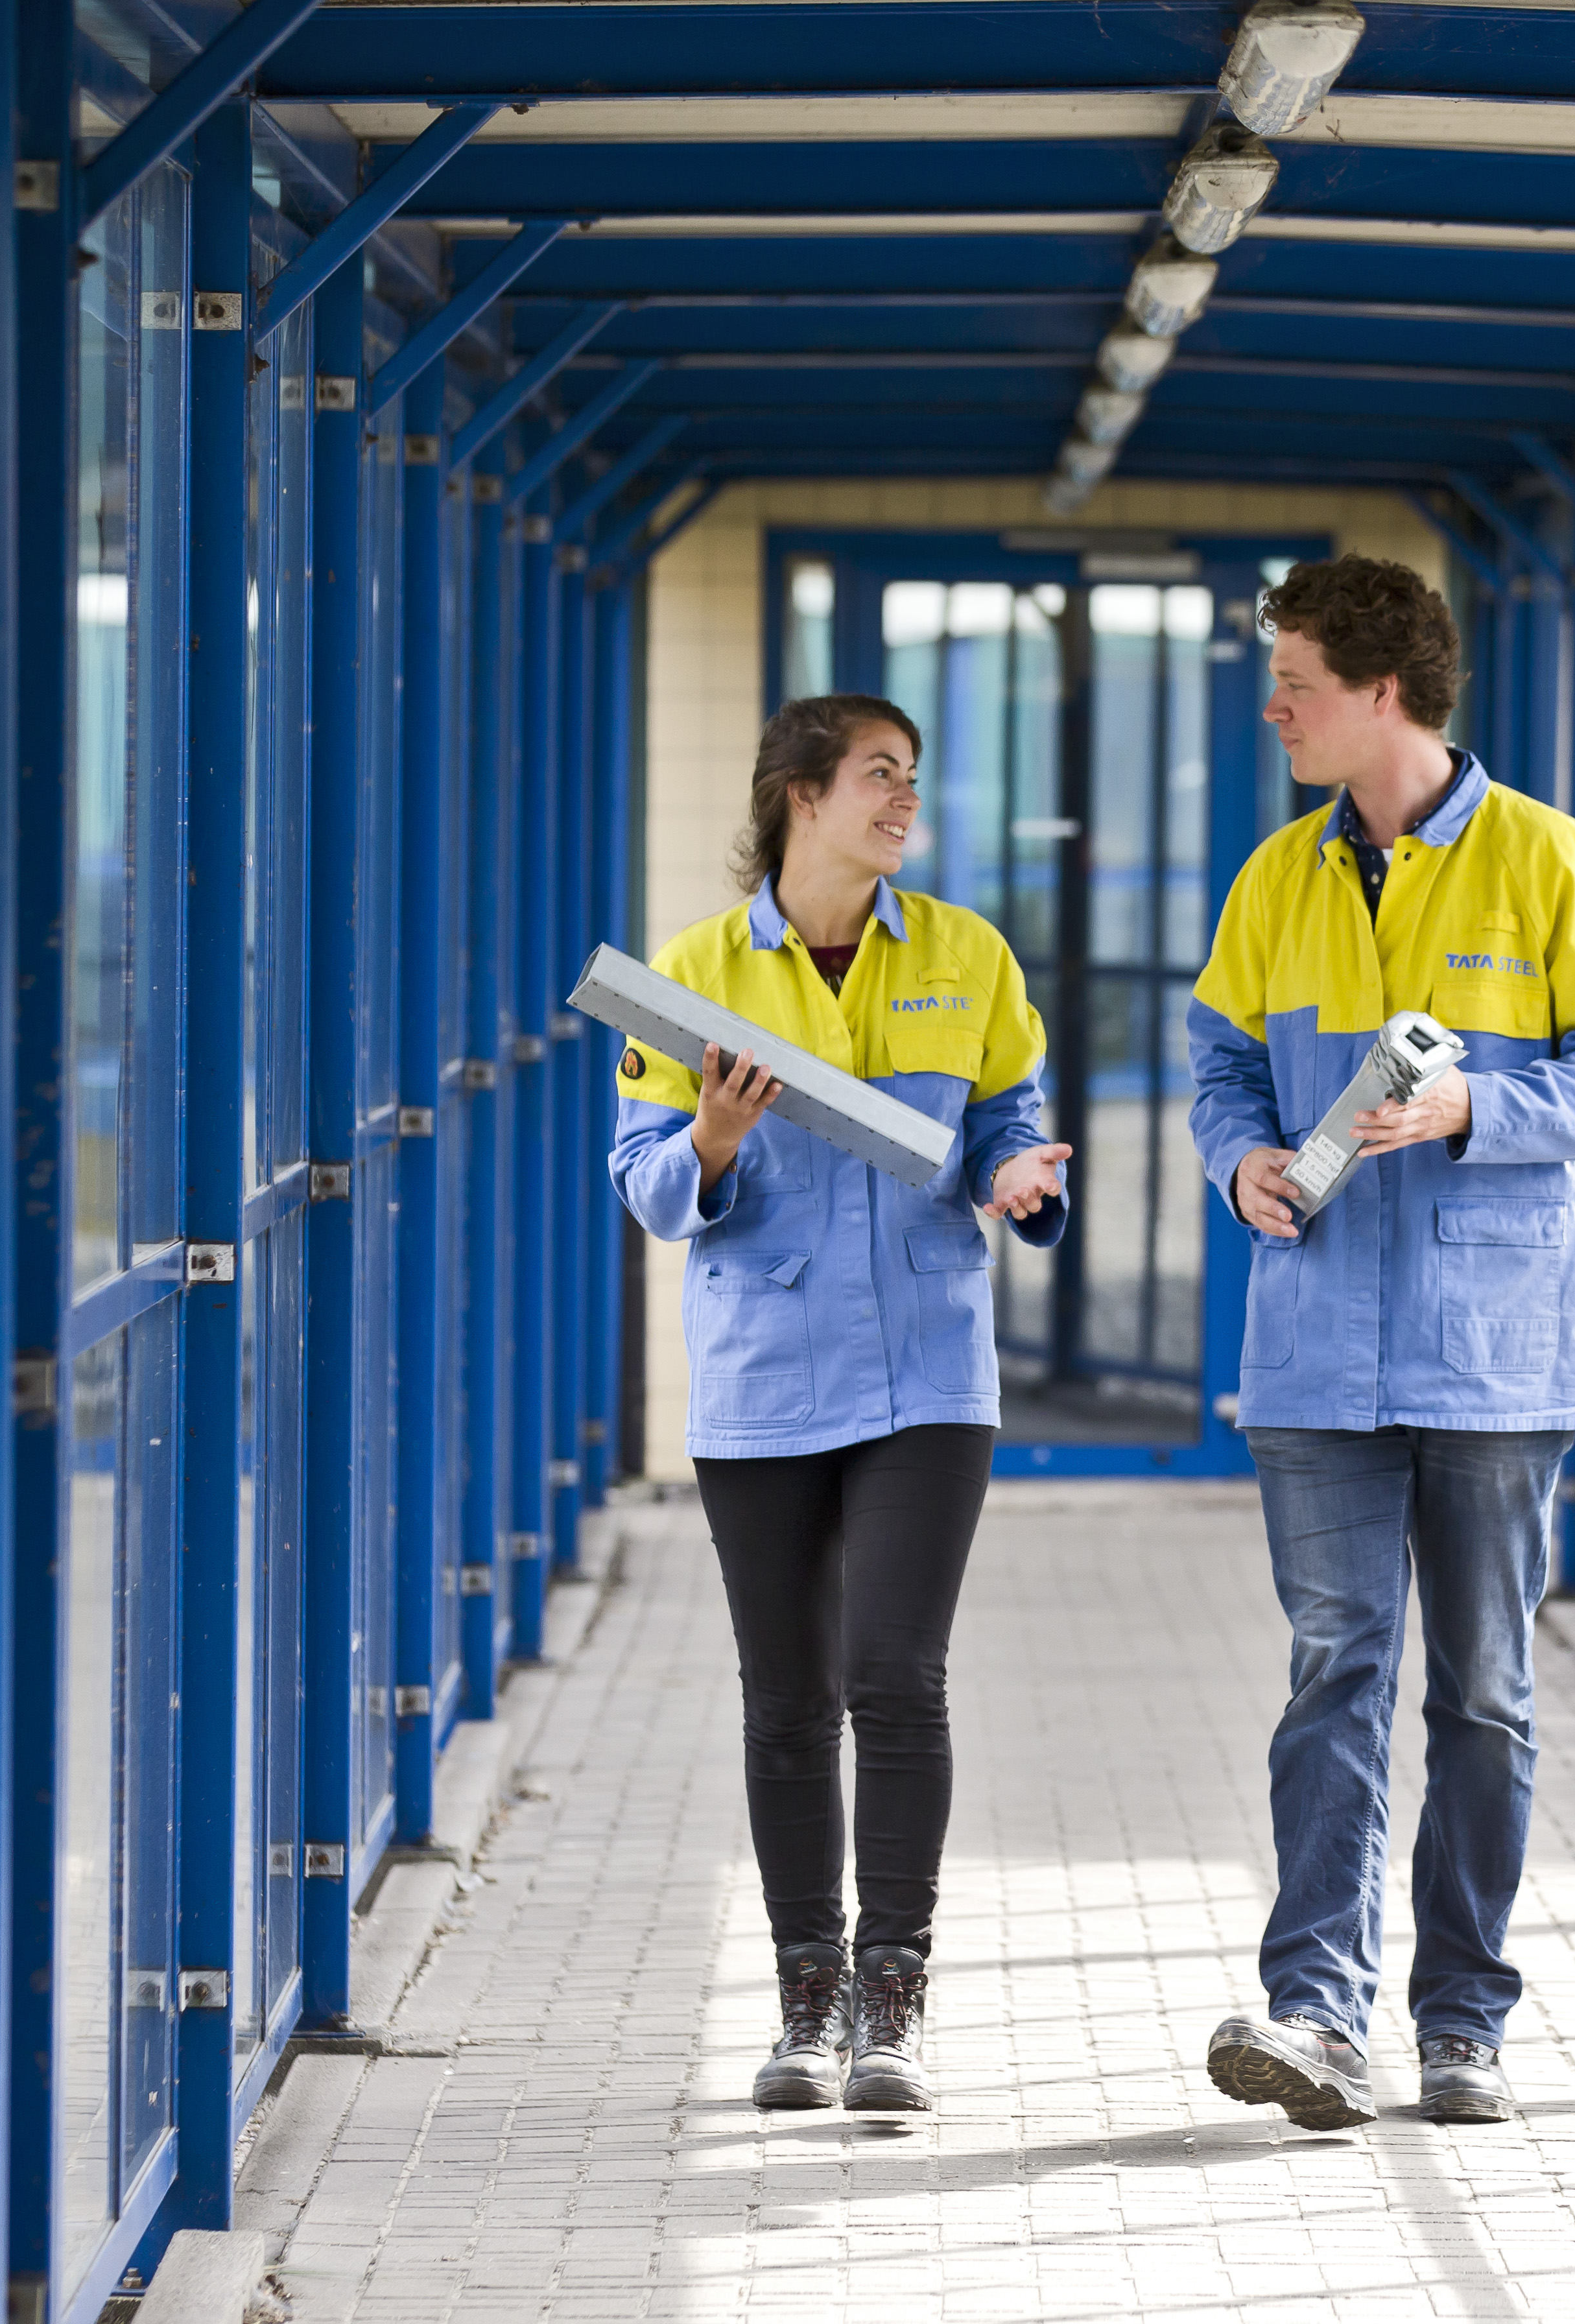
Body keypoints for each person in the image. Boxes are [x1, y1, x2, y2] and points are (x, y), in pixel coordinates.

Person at [1183, 556, 1575, 2128]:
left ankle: (1463, 2021)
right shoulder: (1275, 879)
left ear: (1383, 691)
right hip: (1320, 1350)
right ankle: (1316, 2015)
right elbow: (1217, 1065)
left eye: (1299, 683)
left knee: (1485, 1692)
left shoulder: (1547, 863)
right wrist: (1239, 1158)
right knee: (1335, 1671)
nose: (1275, 707)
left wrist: (1478, 1105)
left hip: (1497, 1347)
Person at [606, 693, 1071, 2116]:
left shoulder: (965, 956)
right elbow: (645, 1183)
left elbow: (1012, 1115)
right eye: (879, 776)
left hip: (930, 1363)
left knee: (896, 1675)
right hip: (763, 1378)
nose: (904, 801)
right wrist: (715, 1139)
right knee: (790, 1699)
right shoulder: (689, 980)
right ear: (799, 794)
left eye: (911, 778)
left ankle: (893, 1999)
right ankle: (806, 1996)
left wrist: (1018, 1176)